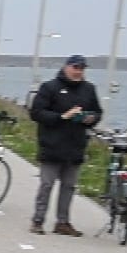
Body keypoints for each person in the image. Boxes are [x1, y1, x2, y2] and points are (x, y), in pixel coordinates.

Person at [28, 53, 102, 237]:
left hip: (76, 145)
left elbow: (98, 111)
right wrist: (62, 117)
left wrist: (91, 119)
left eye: (82, 68)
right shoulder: (49, 87)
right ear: (66, 67)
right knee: (47, 184)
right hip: (52, 144)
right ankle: (38, 220)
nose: (78, 72)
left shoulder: (89, 89)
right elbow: (36, 112)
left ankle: (63, 222)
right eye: (75, 67)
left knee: (69, 186)